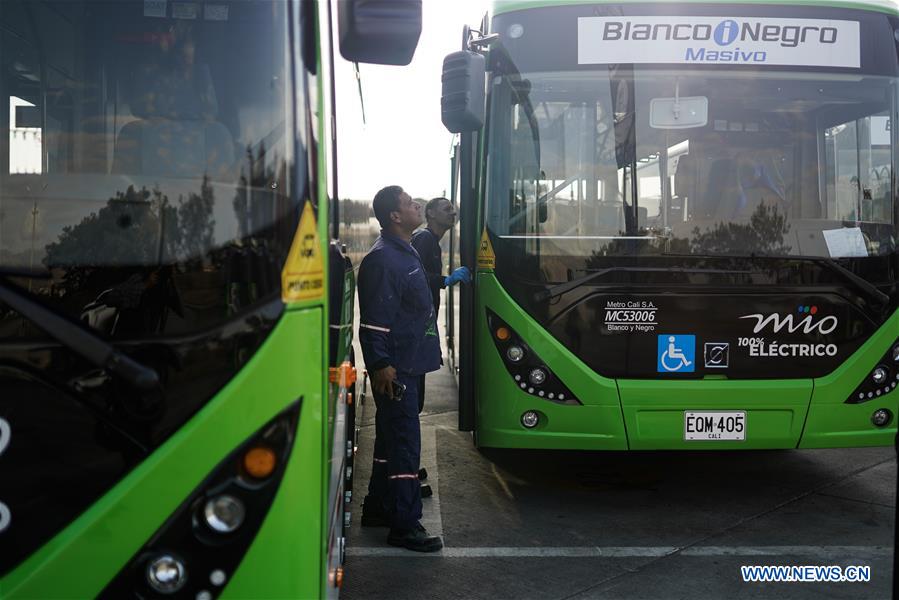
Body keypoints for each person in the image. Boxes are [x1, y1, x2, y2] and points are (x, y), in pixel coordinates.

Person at [358, 185, 443, 552]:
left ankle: (378, 507)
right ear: (395, 216)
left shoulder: (403, 252)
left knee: (390, 442)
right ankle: (405, 525)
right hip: (396, 368)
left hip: (407, 363)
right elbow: (374, 323)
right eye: (410, 203)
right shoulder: (383, 260)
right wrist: (380, 365)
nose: (417, 206)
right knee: (405, 444)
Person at [410, 197, 469, 415]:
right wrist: (445, 280)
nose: (453, 213)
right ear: (431, 213)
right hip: (416, 325)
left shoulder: (431, 241)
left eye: (453, 209)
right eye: (447, 209)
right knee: (414, 396)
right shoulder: (424, 239)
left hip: (422, 323)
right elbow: (416, 276)